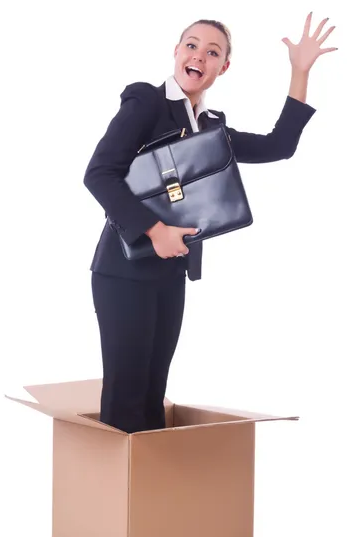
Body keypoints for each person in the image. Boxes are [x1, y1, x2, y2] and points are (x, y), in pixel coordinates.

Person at [83, 14, 337, 434]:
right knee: (126, 398)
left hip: (171, 272)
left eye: (212, 52)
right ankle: (112, 496)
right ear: (177, 52)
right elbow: (99, 173)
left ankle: (147, 495)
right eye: (192, 45)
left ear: (223, 67)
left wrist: (300, 71)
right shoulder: (146, 103)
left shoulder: (211, 128)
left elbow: (279, 146)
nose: (199, 55)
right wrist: (153, 230)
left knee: (152, 397)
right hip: (122, 271)